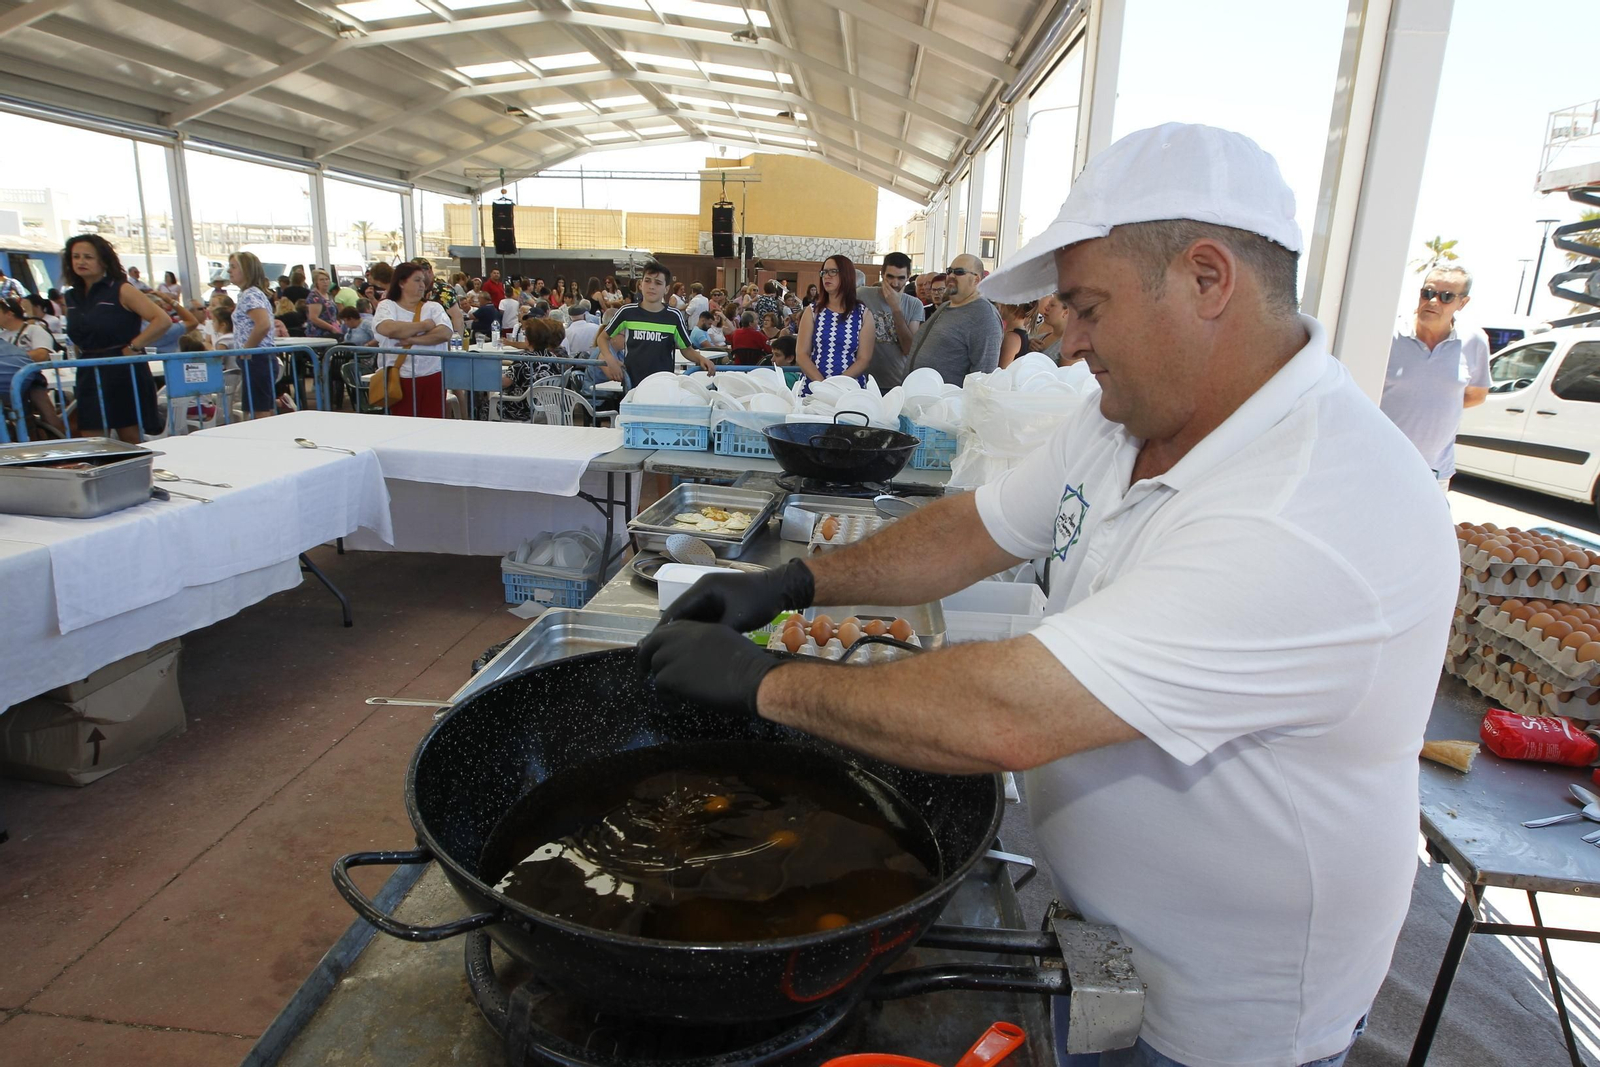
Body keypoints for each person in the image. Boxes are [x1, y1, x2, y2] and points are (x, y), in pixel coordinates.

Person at [640, 123, 1458, 1067]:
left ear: (1206, 280)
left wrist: (762, 683)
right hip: (1097, 942)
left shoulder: (1311, 508)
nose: (1068, 343)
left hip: (1225, 1023)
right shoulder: (1130, 418)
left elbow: (1012, 713)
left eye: (1088, 307)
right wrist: (790, 582)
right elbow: (974, 528)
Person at [1378, 267, 1490, 489]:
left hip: (1435, 472)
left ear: (1463, 303)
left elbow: (1476, 395)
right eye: (1427, 293)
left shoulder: (1474, 340)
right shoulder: (1388, 335)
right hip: (1379, 464)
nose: (1433, 302)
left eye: (1446, 297)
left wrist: (1432, 401)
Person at [62, 234, 169, 441]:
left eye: (88, 257)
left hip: (121, 369)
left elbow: (161, 320)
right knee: (91, 434)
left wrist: (134, 346)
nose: (81, 262)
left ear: (103, 260)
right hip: (88, 369)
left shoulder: (121, 289)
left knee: (129, 434)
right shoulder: (71, 296)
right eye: (76, 257)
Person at [597, 260, 714, 387]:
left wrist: (701, 359)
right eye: (647, 281)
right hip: (632, 385)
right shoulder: (627, 312)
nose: (651, 286)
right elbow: (602, 338)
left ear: (666, 289)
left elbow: (686, 349)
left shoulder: (673, 316)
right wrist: (610, 359)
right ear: (641, 284)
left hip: (663, 385)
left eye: (658, 283)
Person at [904, 254, 1000, 385]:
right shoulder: (945, 306)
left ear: (976, 279)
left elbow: (984, 375)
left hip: (947, 403)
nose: (951, 276)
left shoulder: (984, 315)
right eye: (949, 271)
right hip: (919, 399)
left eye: (959, 272)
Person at [373, 261, 451, 417]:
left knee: (432, 424)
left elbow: (444, 333)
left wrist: (412, 340)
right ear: (402, 283)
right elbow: (387, 328)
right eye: (417, 280)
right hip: (400, 378)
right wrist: (425, 325)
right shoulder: (387, 306)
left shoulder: (433, 307)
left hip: (433, 376)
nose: (422, 285)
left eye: (423, 280)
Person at [796, 254, 873, 390]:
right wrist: (822, 385)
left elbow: (864, 359)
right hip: (814, 388)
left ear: (846, 275)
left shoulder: (863, 314)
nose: (827, 276)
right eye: (824, 272)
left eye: (833, 271)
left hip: (849, 389)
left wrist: (837, 386)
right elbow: (801, 355)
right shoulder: (812, 311)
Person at [859, 251, 925, 390]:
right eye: (890, 277)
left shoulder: (914, 304)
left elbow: (908, 348)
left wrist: (896, 308)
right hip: (862, 382)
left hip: (896, 385)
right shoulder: (862, 295)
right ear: (882, 274)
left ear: (908, 277)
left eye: (901, 278)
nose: (895, 283)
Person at [227, 251, 281, 418]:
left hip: (256, 358)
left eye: (233, 267)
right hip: (258, 358)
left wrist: (246, 350)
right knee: (260, 405)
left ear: (247, 270)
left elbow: (263, 324)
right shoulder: (251, 294)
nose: (229, 271)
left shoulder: (250, 294)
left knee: (259, 408)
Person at [996, 301, 1038, 369]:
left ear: (1010, 307)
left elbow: (1003, 370)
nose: (999, 305)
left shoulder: (1011, 338)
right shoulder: (1022, 335)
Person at [1030, 293, 1070, 362]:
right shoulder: (1041, 337)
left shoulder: (1069, 348)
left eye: (1052, 305)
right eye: (1048, 304)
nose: (1046, 308)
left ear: (1065, 313)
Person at [304, 269, 344, 339]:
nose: (325, 282)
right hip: (319, 334)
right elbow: (313, 318)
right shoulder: (314, 297)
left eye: (327, 279)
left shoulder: (328, 295)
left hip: (332, 330)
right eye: (321, 280)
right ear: (316, 282)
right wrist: (331, 328)